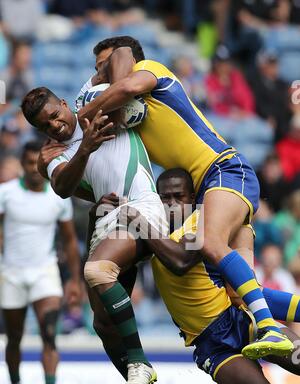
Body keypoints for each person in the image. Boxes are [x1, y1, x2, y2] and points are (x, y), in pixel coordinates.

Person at [76, 35, 293, 359]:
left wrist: (86, 114)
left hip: (224, 169)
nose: (101, 76)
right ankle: (271, 322)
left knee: (208, 241)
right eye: (96, 70)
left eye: (105, 66)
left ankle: (269, 327)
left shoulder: (151, 71)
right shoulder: (130, 123)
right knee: (240, 293)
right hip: (214, 187)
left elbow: (123, 85)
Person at [21, 86, 167, 384]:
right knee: (102, 323)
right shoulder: (52, 155)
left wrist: (102, 71)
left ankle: (140, 362)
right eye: (46, 126)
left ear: (63, 103)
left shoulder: (97, 108)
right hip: (108, 220)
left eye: (55, 116)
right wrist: (83, 149)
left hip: (142, 205)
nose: (55, 126)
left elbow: (122, 63)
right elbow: (61, 187)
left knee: (97, 269)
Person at [117, 167, 300, 384]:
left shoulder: (202, 222)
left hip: (238, 320)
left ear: (192, 198)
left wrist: (138, 222)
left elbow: (180, 262)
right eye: (164, 198)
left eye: (178, 197)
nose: (171, 204)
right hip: (209, 345)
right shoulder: (155, 230)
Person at [0, 141, 81, 384]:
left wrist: (74, 280)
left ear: (44, 165)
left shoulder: (58, 196)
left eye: (39, 163)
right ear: (23, 165)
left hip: (45, 273)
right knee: (14, 337)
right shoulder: (5, 193)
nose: (35, 169)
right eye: (29, 163)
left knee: (49, 335)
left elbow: (69, 241)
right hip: (10, 273)